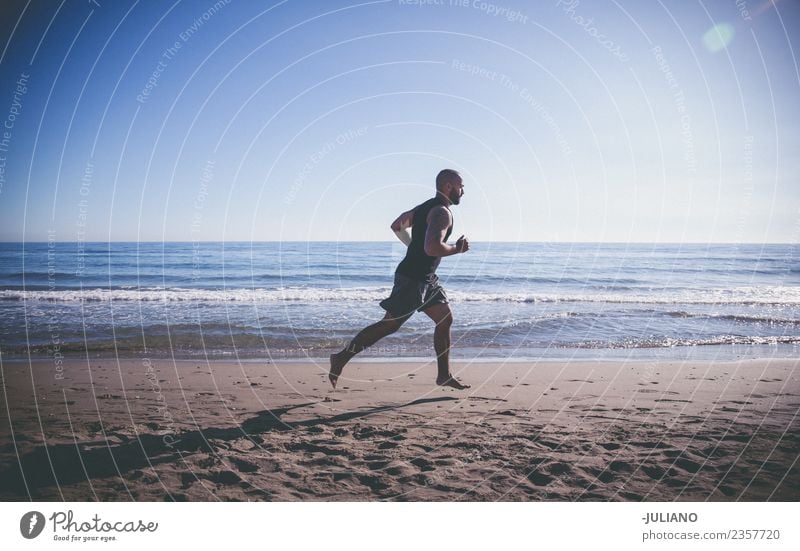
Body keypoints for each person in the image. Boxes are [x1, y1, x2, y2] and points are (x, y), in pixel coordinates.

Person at [329, 169, 471, 390]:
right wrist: (456, 249)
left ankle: (444, 375)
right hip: (413, 278)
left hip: (426, 278)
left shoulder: (424, 208)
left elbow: (397, 225)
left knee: (445, 319)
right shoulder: (442, 213)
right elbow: (433, 247)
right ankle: (340, 358)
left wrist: (414, 248)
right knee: (389, 325)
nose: (463, 191)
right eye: (461, 186)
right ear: (447, 186)